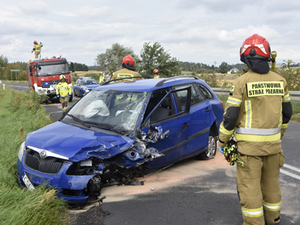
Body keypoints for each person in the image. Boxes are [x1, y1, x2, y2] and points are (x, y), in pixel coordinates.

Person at [218, 34, 292, 225]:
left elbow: (230, 117)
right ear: (267, 56)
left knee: (250, 188)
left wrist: (222, 141)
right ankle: (274, 220)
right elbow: (287, 113)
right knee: (271, 186)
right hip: (274, 148)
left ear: (245, 57)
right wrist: (278, 135)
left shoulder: (242, 82)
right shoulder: (280, 81)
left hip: (249, 151)